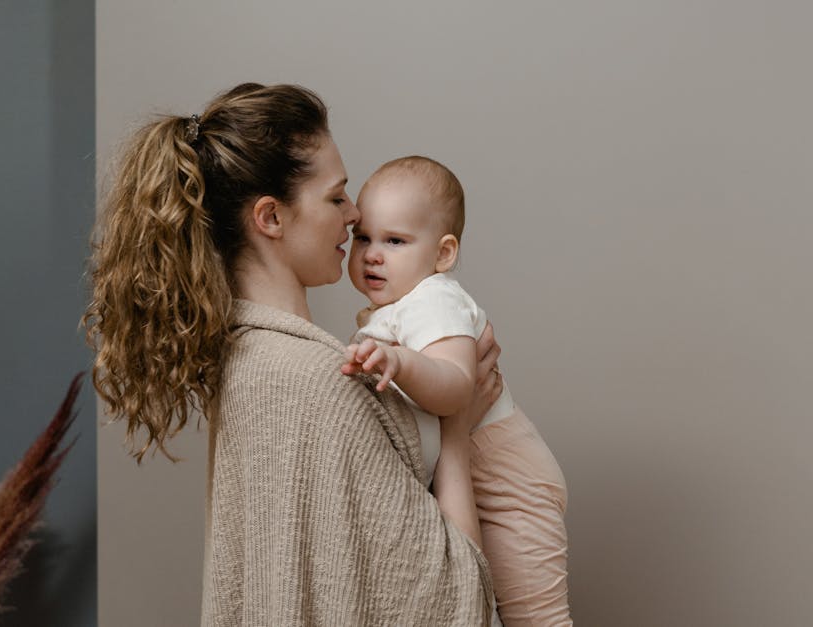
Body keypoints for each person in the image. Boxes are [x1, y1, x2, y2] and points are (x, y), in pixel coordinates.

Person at [82, 83, 500, 626]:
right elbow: (458, 603)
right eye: (335, 196)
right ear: (271, 218)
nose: (354, 215)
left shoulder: (249, 362)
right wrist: (457, 435)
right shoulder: (319, 382)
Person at [340, 156, 571, 626]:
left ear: (443, 254)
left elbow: (455, 391)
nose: (371, 254)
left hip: (509, 485)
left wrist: (401, 362)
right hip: (473, 476)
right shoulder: (395, 309)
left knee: (536, 619)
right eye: (363, 237)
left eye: (395, 240)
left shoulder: (433, 298)